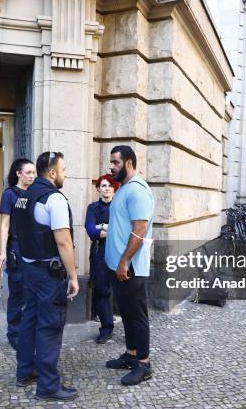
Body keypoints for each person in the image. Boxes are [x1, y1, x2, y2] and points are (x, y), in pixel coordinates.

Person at [12, 151, 80, 401]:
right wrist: (73, 276)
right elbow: (63, 242)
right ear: (52, 173)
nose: (65, 174)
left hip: (29, 269)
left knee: (29, 319)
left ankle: (25, 371)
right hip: (48, 275)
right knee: (50, 325)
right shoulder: (54, 199)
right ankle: (48, 386)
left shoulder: (23, 195)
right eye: (63, 169)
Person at [104, 145, 155, 386]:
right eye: (111, 162)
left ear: (129, 163)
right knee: (126, 313)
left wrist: (124, 261)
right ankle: (131, 355)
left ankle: (144, 364)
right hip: (119, 267)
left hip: (131, 268)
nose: (111, 166)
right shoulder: (123, 188)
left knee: (137, 316)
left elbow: (140, 229)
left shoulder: (138, 191)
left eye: (115, 162)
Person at [0, 158, 36, 350]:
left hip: (32, 249)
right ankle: (14, 333)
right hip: (16, 248)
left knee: (30, 292)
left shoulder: (34, 193)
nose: (32, 176)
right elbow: (5, 224)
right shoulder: (10, 194)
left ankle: (26, 332)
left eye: (34, 173)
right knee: (17, 294)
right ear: (18, 174)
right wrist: (2, 251)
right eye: (28, 173)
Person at [85, 174, 119, 344]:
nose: (107, 188)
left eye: (110, 185)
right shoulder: (92, 208)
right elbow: (91, 230)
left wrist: (103, 227)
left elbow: (124, 231)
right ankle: (106, 329)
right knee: (102, 291)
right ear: (98, 188)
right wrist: (109, 229)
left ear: (115, 188)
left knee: (124, 291)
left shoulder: (120, 207)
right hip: (100, 252)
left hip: (119, 251)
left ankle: (132, 331)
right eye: (103, 185)